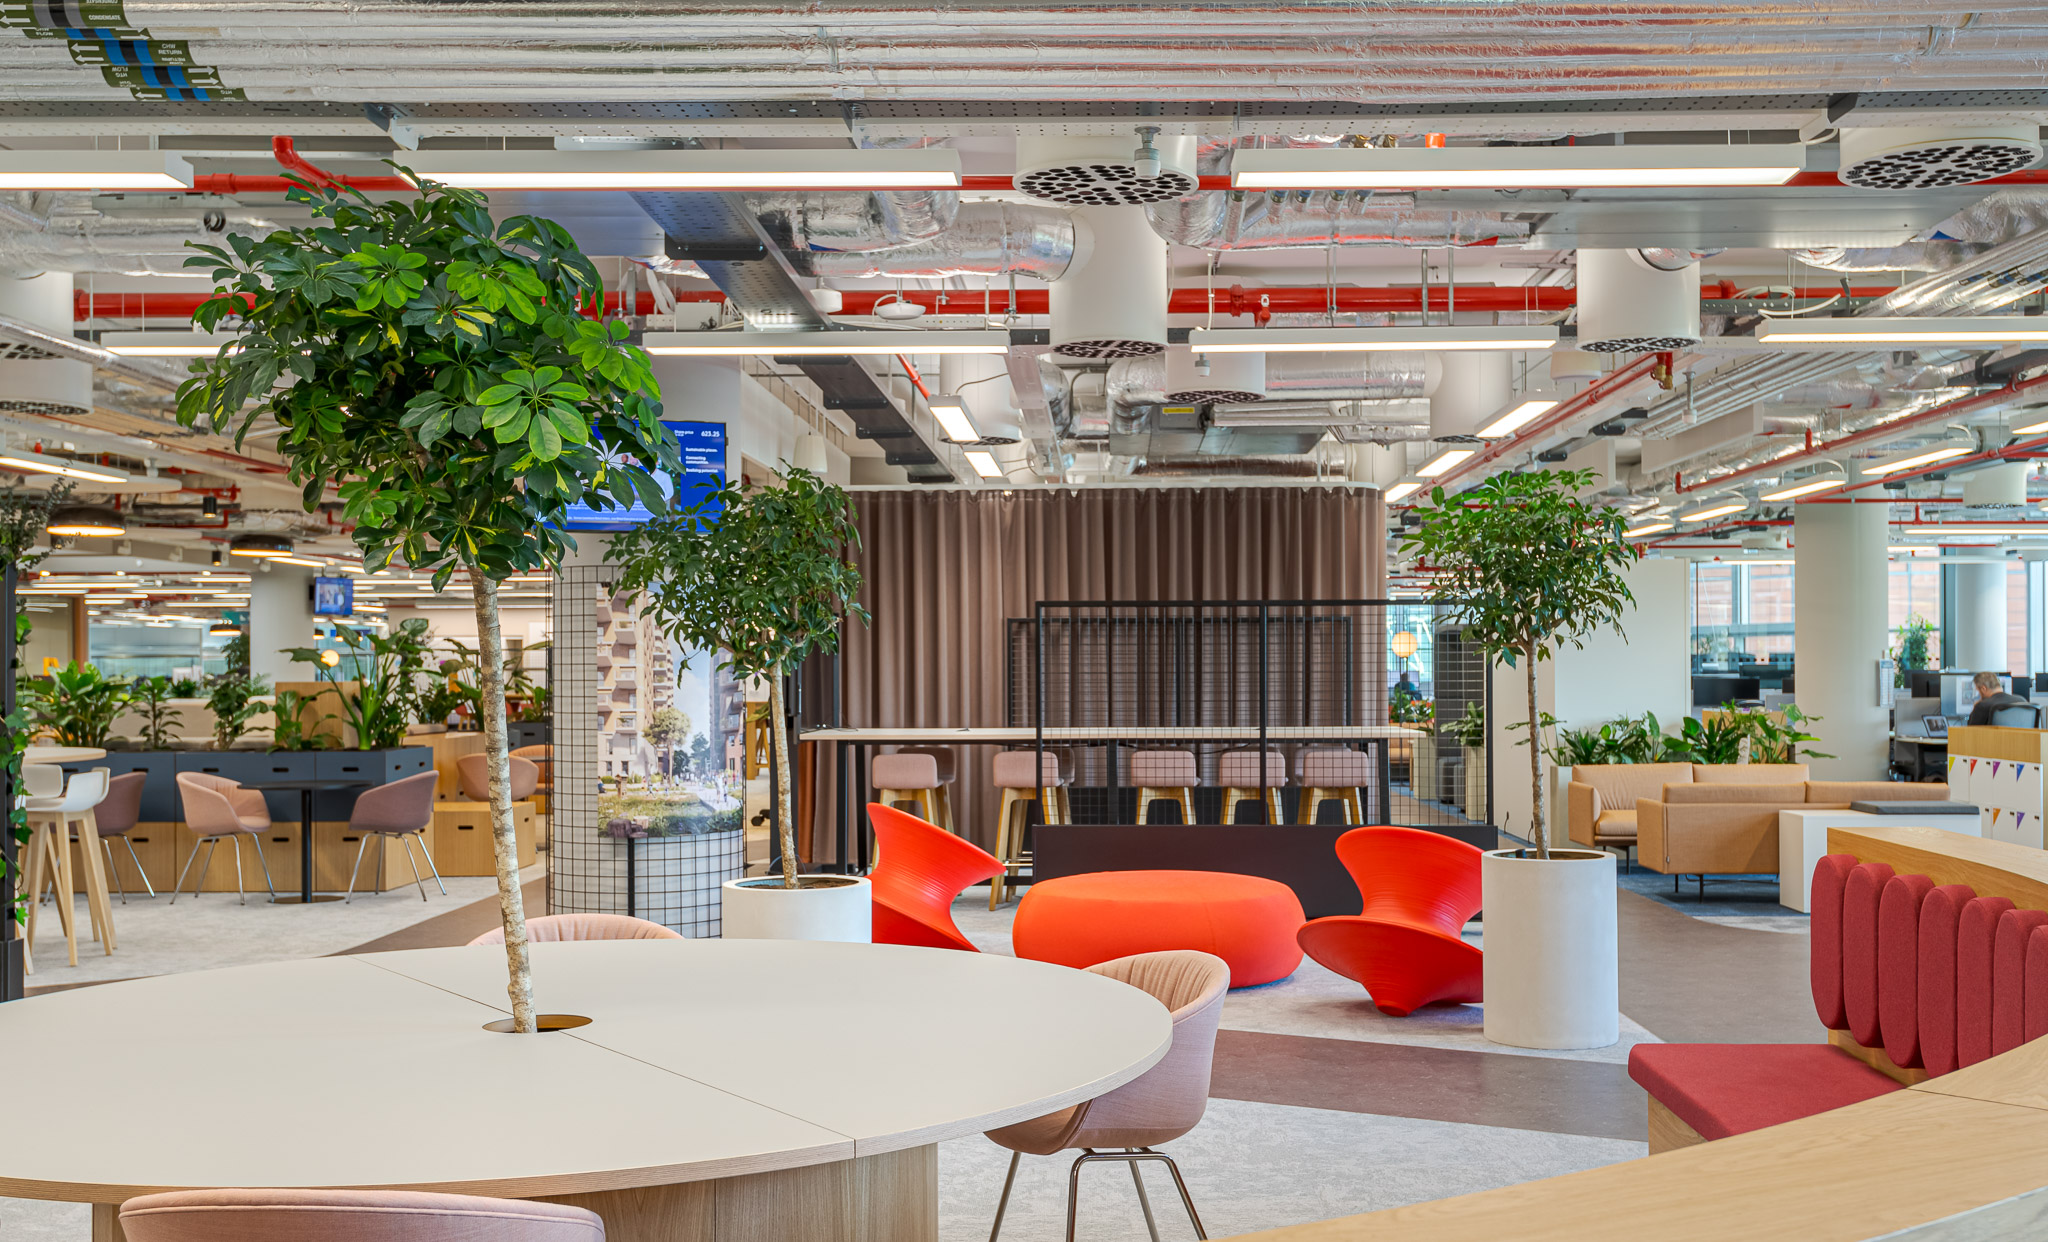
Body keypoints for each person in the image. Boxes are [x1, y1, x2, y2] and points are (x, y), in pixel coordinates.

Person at [1965, 671, 2029, 726]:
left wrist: (1976, 707)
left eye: (1977, 690)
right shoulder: (2021, 700)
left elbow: (1971, 732)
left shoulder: (1982, 705)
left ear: (1983, 689)